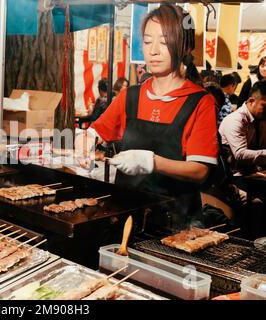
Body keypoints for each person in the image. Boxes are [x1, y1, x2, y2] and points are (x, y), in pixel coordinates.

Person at [75, 3, 218, 229]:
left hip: (175, 222)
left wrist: (152, 162)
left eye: (163, 41)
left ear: (185, 48)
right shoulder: (129, 96)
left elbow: (200, 171)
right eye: (148, 41)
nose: (153, 51)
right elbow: (94, 133)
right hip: (127, 215)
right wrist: (85, 142)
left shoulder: (200, 102)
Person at [219, 80, 266, 175]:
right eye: (264, 106)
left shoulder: (261, 118)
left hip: (255, 172)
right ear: (251, 101)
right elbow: (240, 153)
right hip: (234, 175)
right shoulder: (236, 119)